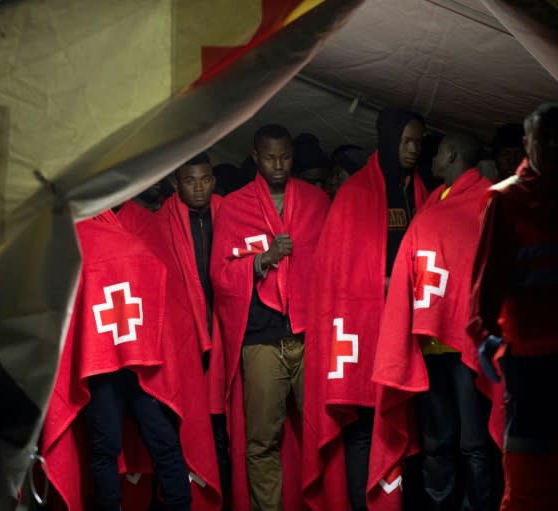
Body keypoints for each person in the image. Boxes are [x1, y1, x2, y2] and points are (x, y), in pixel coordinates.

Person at [40, 210, 221, 511]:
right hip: (99, 360)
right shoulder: (78, 230)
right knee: (105, 446)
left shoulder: (145, 224)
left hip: (143, 359)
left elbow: (164, 284)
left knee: (162, 440)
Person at [302, 108, 429, 511]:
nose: (412, 150)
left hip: (410, 330)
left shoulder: (421, 192)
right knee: (365, 427)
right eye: (405, 141)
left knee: (411, 424)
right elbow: (335, 276)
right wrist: (386, 286)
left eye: (418, 142)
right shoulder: (355, 195)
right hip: (362, 335)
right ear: (389, 140)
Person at [370, 131, 503, 511]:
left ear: (450, 153)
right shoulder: (433, 202)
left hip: (468, 344)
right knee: (436, 439)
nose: (429, 159)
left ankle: (477, 506)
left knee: (474, 441)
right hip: (431, 341)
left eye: (436, 153)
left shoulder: (488, 199)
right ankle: (438, 504)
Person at [211, 124, 329, 511]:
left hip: (309, 335)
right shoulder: (234, 205)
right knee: (262, 441)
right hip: (260, 339)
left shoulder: (316, 202)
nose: (279, 164)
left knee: (321, 432)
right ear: (256, 157)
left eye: (286, 156)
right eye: (271, 157)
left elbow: (330, 268)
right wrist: (262, 260)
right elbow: (220, 276)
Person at [468, 103, 558, 511]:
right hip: (530, 361)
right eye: (545, 138)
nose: (553, 147)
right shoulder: (506, 200)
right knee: (527, 473)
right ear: (528, 143)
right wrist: (484, 335)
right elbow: (486, 281)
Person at [141, 152, 231, 509]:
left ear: (214, 180)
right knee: (183, 425)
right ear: (175, 184)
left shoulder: (231, 212)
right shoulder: (158, 224)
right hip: (182, 341)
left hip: (225, 332)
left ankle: (222, 496)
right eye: (190, 180)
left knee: (222, 428)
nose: (198, 187)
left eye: (205, 179)